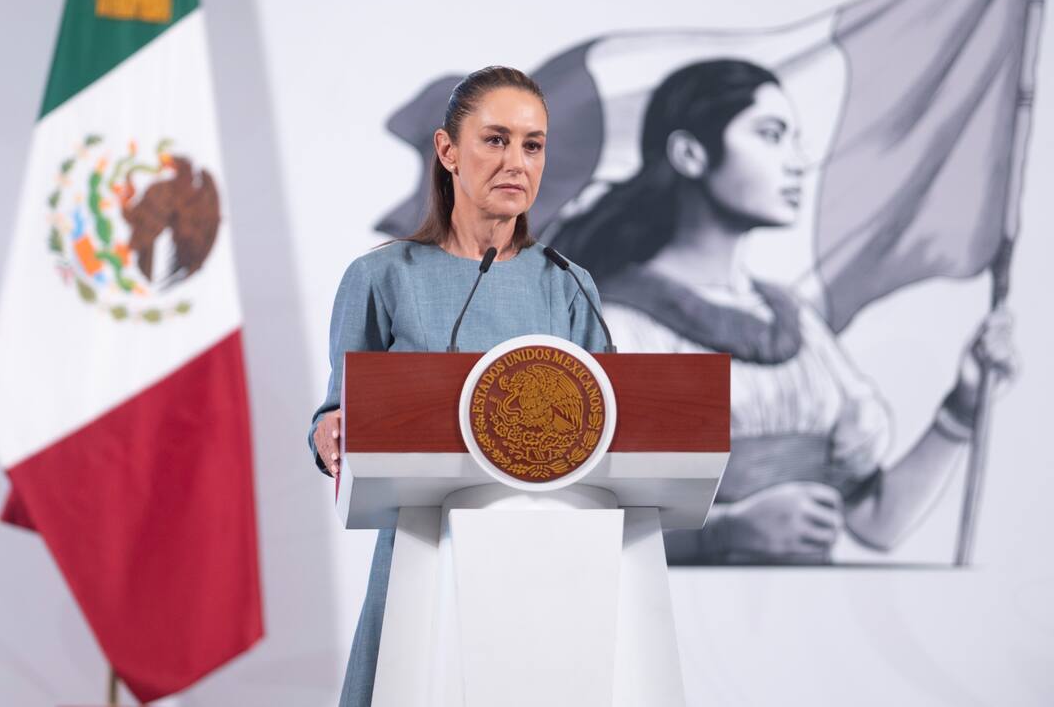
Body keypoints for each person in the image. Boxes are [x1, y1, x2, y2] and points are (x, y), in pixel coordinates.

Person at [549, 58, 1017, 565]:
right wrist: (723, 533)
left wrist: (963, 406)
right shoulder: (624, 326)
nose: (798, 161)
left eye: (795, 138)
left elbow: (875, 522)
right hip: (684, 625)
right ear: (689, 153)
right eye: (771, 135)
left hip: (799, 627)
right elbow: (571, 529)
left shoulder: (797, 325)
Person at [309, 66, 607, 705]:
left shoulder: (570, 285)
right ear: (447, 151)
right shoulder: (382, 277)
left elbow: (614, 429)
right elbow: (339, 411)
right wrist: (328, 429)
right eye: (495, 140)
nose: (516, 162)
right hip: (424, 547)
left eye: (533, 145)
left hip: (545, 559)